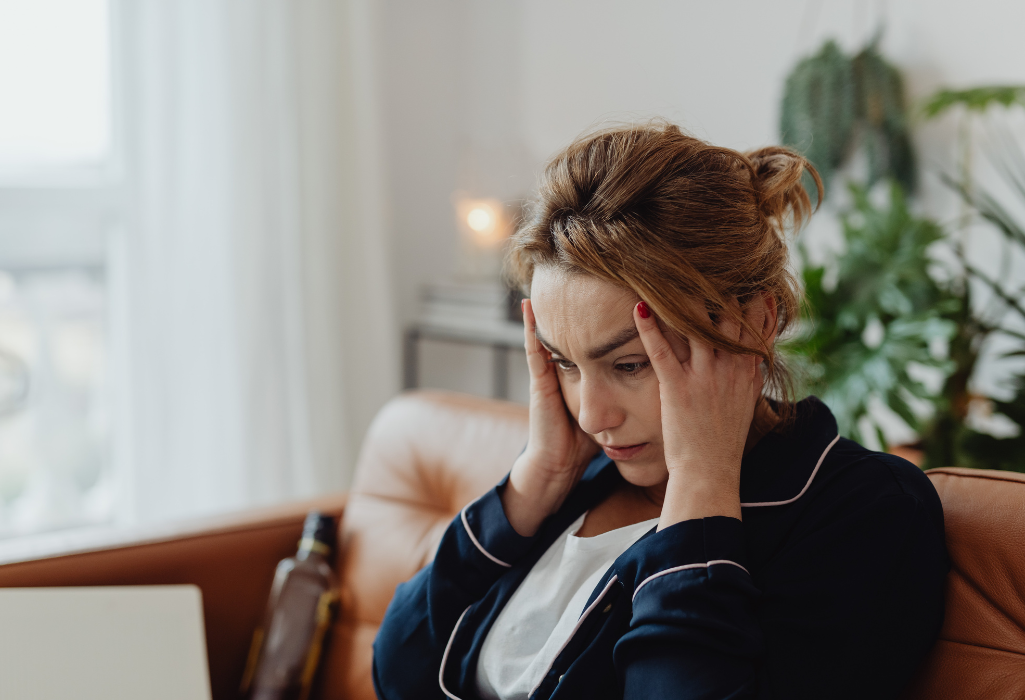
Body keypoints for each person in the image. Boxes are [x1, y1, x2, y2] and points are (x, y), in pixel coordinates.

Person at [371, 121, 948, 700]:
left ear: (757, 322)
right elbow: (397, 670)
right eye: (564, 363)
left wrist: (703, 484)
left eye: (628, 365)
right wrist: (533, 482)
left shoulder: (863, 512)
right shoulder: (579, 479)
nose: (592, 416)